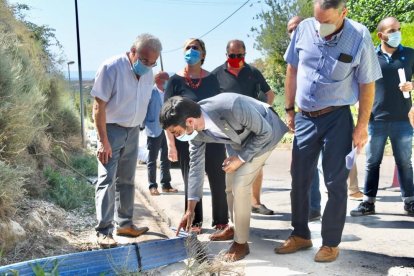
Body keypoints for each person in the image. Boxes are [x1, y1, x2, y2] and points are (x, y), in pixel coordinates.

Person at [275, 0, 382, 263]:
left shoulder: (359, 35)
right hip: (305, 118)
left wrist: (361, 126)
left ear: (343, 13)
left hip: (337, 118)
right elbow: (292, 68)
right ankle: (300, 234)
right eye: (317, 20)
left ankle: (331, 243)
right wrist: (289, 108)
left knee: (335, 183)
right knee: (299, 180)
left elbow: (367, 83)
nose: (319, 27)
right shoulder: (304, 29)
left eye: (327, 22)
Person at [160, 94, 288, 261]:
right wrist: (190, 210)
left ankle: (241, 243)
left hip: (267, 134)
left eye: (176, 132)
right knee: (228, 182)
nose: (177, 137)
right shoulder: (195, 132)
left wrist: (241, 158)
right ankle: (236, 228)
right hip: (239, 141)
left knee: (240, 184)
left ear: (189, 121)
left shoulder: (232, 106)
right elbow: (196, 167)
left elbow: (265, 132)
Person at [91, 33, 162, 248]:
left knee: (127, 180)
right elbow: (98, 107)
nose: (148, 66)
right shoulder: (111, 67)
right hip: (111, 130)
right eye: (144, 61)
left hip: (133, 131)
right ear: (133, 52)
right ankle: (104, 231)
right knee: (107, 179)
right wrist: (103, 141)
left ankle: (125, 224)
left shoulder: (149, 73)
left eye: (153, 62)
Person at [164, 38, 229, 235]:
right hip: (186, 139)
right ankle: (194, 220)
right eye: (188, 48)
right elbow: (167, 115)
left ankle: (221, 221)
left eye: (196, 48)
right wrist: (171, 144)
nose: (191, 51)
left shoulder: (212, 79)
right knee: (192, 178)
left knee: (218, 177)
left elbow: (219, 107)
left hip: (212, 135)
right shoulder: (175, 81)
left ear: (203, 54)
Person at [350, 17, 414, 217]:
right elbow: (357, 83)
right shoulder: (371, 56)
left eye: (398, 29)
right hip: (375, 120)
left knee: (404, 162)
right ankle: (368, 202)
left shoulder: (410, 54)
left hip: (402, 119)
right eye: (392, 30)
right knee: (372, 163)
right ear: (380, 35)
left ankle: (410, 201)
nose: (397, 33)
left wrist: (412, 86)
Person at [211, 39, 276, 216]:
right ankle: (236, 208)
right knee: (235, 165)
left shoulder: (253, 72)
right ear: (226, 55)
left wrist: (264, 112)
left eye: (240, 55)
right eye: (232, 56)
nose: (236, 58)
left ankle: (255, 203)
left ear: (245, 54)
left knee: (256, 165)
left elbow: (269, 94)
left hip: (253, 127)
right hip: (229, 130)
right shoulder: (216, 74)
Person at [143, 71, 178, 196]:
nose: (168, 81)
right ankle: (152, 186)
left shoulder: (169, 94)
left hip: (167, 129)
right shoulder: (150, 93)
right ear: (158, 80)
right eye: (166, 79)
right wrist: (143, 125)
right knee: (152, 159)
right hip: (153, 129)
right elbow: (144, 109)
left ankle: (166, 185)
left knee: (166, 158)